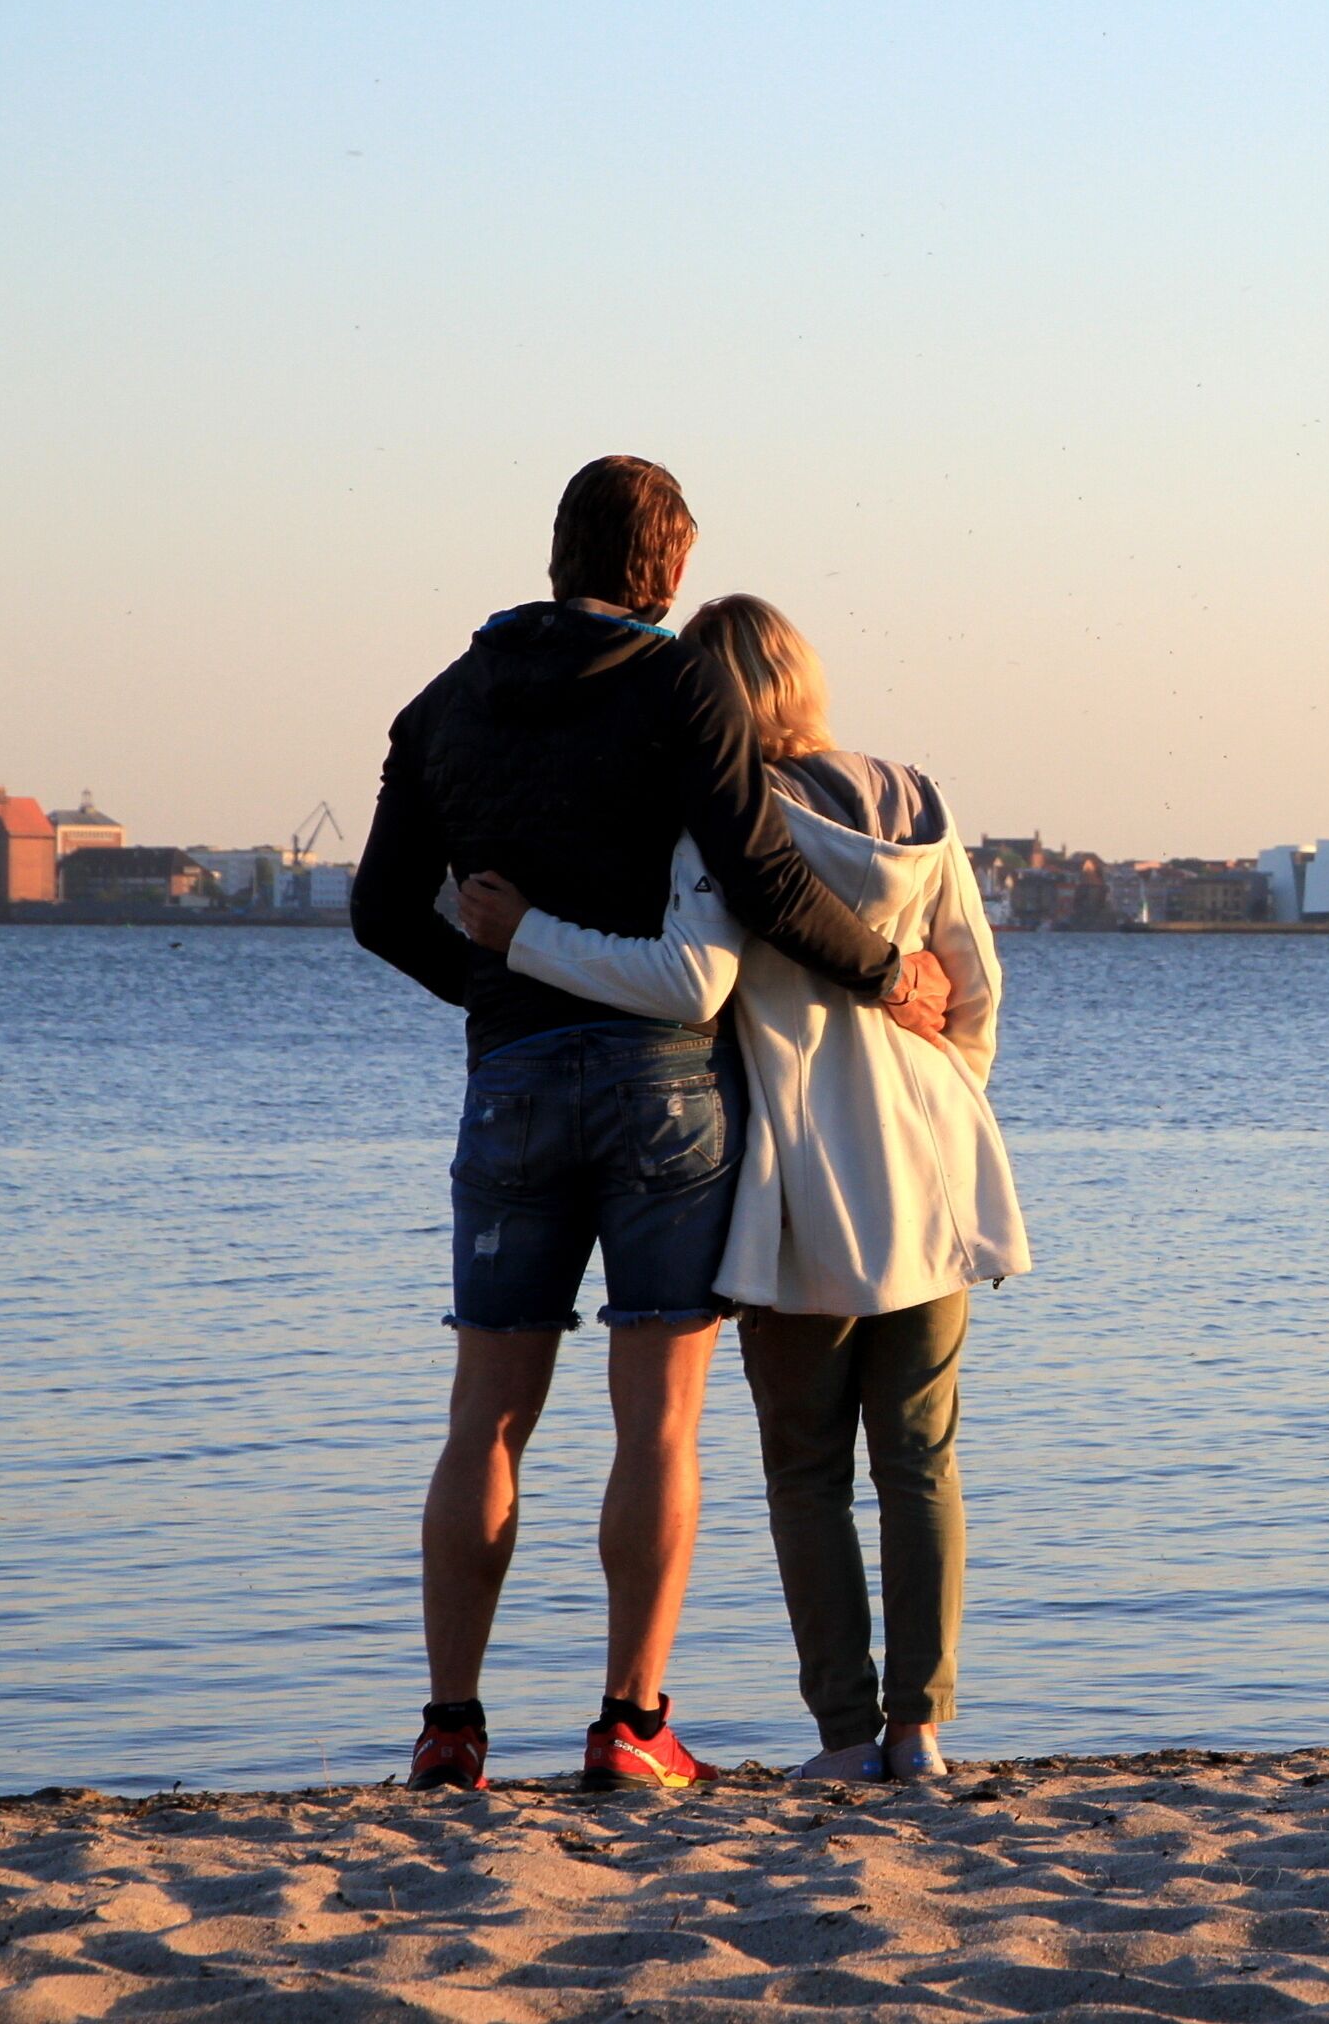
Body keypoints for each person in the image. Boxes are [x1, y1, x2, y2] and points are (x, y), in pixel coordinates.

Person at [352, 457, 952, 1793]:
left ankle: (451, 1727)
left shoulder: (441, 704)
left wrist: (496, 991)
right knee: (657, 1423)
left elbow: (380, 913)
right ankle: (631, 1728)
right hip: (665, 1089)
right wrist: (888, 973)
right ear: (670, 570)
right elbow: (765, 879)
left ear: (557, 551)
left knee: (485, 1417)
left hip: (510, 1082)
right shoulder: (684, 686)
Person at [457, 593, 1027, 1783]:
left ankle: (844, 1734)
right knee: (920, 1459)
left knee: (806, 1471)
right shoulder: (917, 801)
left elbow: (686, 980)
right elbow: (973, 990)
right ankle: (920, 1730)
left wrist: (524, 938)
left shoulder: (725, 816)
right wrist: (938, 1099)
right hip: (927, 1160)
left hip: (795, 1185)